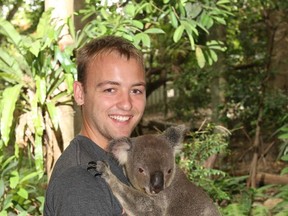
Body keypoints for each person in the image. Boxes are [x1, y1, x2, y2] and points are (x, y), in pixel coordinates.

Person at [44, 35, 146, 215]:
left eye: (136, 90)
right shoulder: (82, 182)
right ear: (80, 93)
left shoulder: (121, 162)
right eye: (110, 90)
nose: (127, 104)